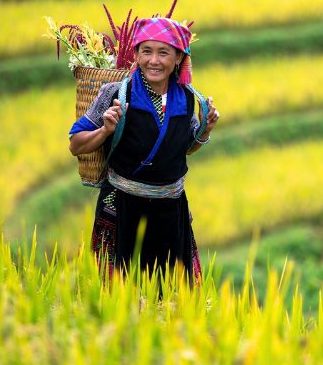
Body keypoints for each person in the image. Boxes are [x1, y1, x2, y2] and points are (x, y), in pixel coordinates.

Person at [68, 17, 219, 281]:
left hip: (171, 211)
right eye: (146, 51)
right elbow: (75, 144)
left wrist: (205, 129)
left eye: (164, 53)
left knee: (170, 296)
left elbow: (184, 149)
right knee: (119, 294)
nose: (154, 60)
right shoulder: (115, 94)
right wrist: (105, 130)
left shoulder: (185, 98)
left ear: (177, 59)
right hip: (122, 207)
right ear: (136, 55)